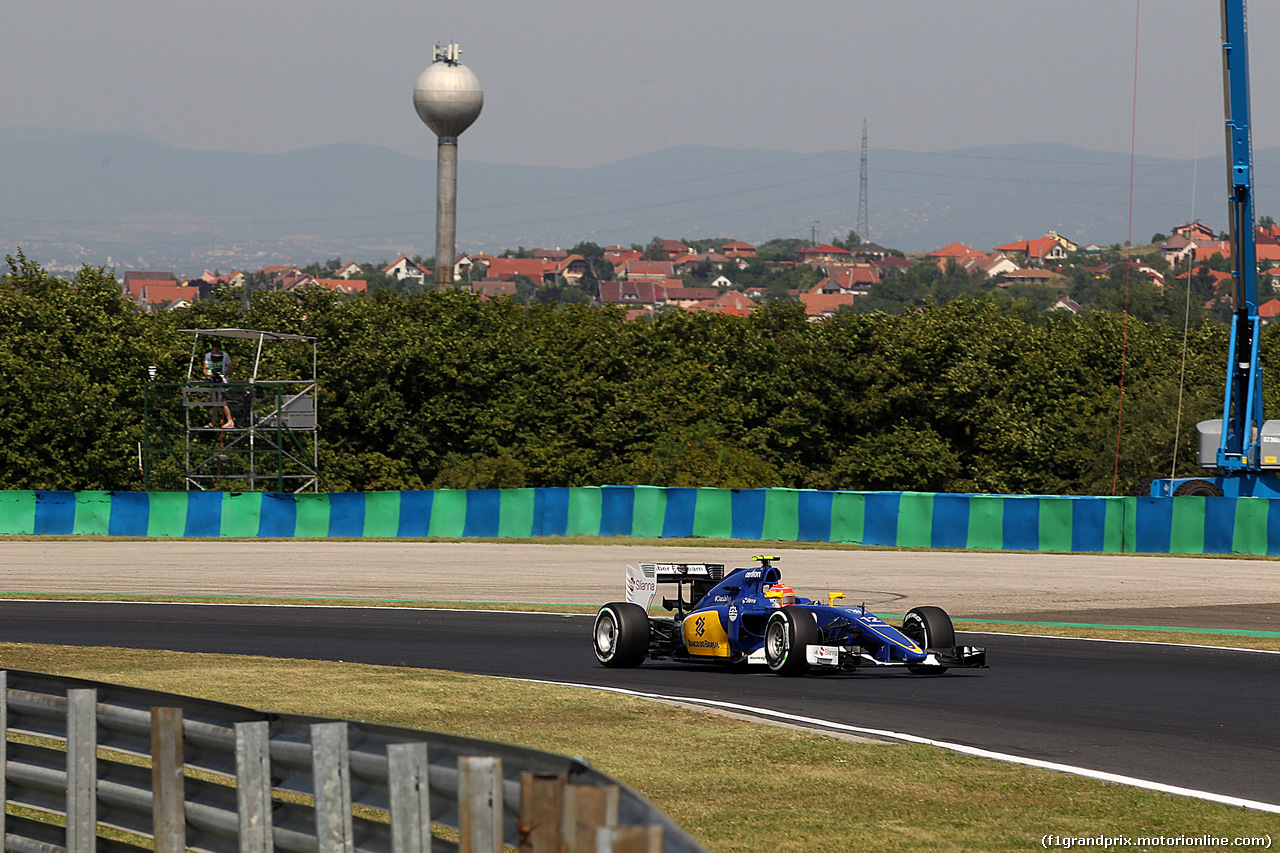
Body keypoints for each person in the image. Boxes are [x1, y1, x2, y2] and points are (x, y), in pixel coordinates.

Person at [202, 341, 235, 429]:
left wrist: (223, 374)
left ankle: (230, 420)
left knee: (222, 400)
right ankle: (213, 422)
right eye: (215, 347)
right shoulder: (208, 355)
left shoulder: (225, 355)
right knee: (216, 401)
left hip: (222, 381)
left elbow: (230, 368)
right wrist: (208, 375)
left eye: (218, 347)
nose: (217, 348)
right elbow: (205, 368)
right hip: (213, 381)